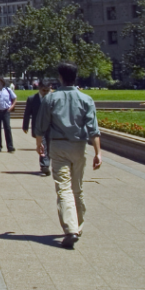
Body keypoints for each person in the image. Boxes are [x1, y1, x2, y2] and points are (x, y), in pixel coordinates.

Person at [35, 62, 102, 250]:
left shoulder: (51, 99)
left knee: (63, 188)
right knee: (77, 187)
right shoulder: (86, 99)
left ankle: (70, 228)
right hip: (79, 145)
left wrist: (39, 143)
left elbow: (41, 125)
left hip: (58, 145)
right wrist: (98, 152)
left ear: (60, 78)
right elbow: (93, 129)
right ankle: (78, 226)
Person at [22, 80, 52, 175]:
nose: (45, 93)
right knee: (42, 145)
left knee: (49, 146)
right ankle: (44, 165)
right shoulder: (32, 99)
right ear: (39, 88)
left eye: (48, 90)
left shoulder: (53, 99)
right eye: (44, 90)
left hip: (51, 127)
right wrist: (25, 125)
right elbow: (27, 113)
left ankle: (46, 163)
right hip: (39, 127)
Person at [0, 76, 18, 152]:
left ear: (2, 82)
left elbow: (14, 98)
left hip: (5, 111)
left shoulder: (8, 90)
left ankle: (10, 146)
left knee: (7, 128)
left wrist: (12, 107)